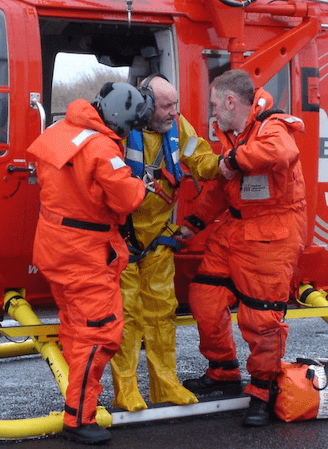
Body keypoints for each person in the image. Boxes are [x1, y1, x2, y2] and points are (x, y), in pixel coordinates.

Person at [178, 69, 307, 427]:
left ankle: (262, 393)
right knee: (204, 296)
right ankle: (223, 371)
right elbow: (222, 188)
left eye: (215, 104)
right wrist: (192, 226)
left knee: (261, 320)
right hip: (235, 230)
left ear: (232, 101)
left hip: (271, 235)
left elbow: (283, 152)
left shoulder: (271, 128)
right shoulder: (235, 135)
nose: (213, 112)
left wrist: (233, 161)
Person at [27, 82, 152, 445]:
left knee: (75, 327)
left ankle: (76, 405)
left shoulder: (60, 130)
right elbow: (127, 199)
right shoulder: (101, 147)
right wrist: (140, 183)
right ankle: (78, 418)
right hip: (85, 254)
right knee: (100, 333)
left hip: (55, 247)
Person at [111, 75, 220, 412]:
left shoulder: (177, 127)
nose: (174, 112)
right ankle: (126, 389)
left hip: (158, 240)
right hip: (123, 240)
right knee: (127, 315)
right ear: (145, 104)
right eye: (167, 106)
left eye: (176, 104)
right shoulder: (120, 128)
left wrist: (224, 165)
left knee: (162, 313)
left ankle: (165, 384)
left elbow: (199, 159)